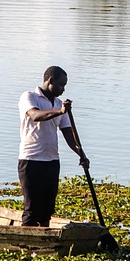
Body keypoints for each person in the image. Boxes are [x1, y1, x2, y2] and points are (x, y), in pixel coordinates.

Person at [17, 66, 88, 227]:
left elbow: (68, 134)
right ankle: (27, 245)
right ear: (50, 81)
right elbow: (36, 115)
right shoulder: (29, 97)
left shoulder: (57, 103)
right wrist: (60, 111)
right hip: (31, 160)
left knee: (47, 209)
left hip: (51, 161)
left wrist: (81, 155)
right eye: (61, 85)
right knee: (31, 209)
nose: (63, 89)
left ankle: (45, 241)